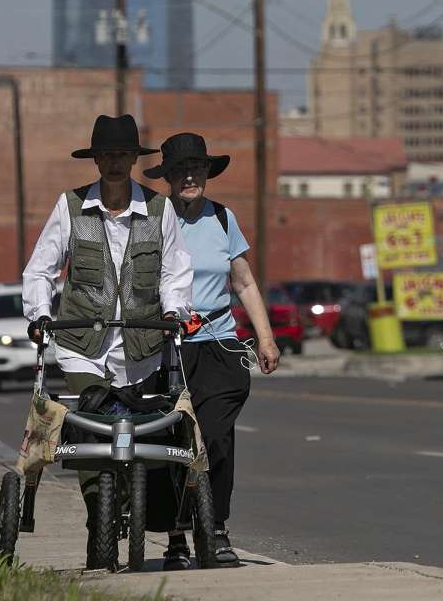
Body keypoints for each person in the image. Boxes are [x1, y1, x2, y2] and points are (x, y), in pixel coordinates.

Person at [22, 114, 193, 569]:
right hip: (81, 344)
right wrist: (39, 314)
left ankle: (124, 505)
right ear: (95, 159)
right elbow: (39, 269)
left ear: (134, 160)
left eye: (123, 154)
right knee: (90, 428)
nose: (115, 162)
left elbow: (175, 272)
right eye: (107, 155)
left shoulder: (160, 210)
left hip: (140, 347)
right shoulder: (71, 206)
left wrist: (175, 311)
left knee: (135, 434)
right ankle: (99, 516)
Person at [143, 132, 280, 569]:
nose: (190, 176)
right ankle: (176, 538)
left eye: (197, 169)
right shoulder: (153, 217)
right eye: (181, 170)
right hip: (168, 347)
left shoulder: (222, 218)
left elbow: (244, 282)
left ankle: (216, 528)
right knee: (170, 442)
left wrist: (266, 337)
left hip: (218, 342)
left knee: (216, 437)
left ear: (207, 173)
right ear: (166, 176)